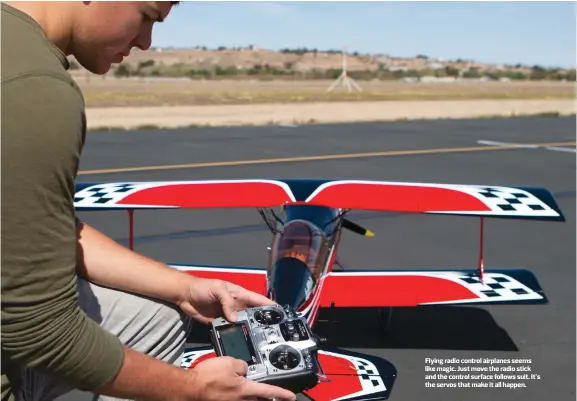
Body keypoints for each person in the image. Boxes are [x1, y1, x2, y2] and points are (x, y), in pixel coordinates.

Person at [1, 2, 297, 401]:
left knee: (154, 318)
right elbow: (39, 327)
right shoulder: (36, 88)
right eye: (148, 16)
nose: (145, 41)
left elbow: (35, 227)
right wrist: (192, 389)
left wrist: (183, 288)